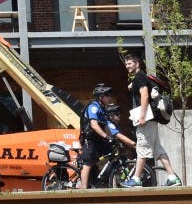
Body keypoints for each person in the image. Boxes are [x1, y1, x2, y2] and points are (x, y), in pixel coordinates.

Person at [121, 51, 182, 187]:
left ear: (137, 63)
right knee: (158, 150)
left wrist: (142, 116)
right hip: (152, 119)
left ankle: (136, 179)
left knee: (142, 148)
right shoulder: (140, 77)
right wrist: (132, 86)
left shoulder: (139, 77)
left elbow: (144, 96)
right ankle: (172, 177)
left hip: (146, 119)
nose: (127, 66)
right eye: (126, 64)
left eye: (130, 63)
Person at [78, 83, 135, 189]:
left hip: (99, 140)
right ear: (101, 97)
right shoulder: (93, 107)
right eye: (107, 96)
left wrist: (116, 140)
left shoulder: (103, 109)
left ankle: (105, 180)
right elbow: (94, 125)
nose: (110, 98)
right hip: (90, 140)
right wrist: (106, 137)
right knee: (88, 163)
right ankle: (84, 189)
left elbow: (111, 127)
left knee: (114, 152)